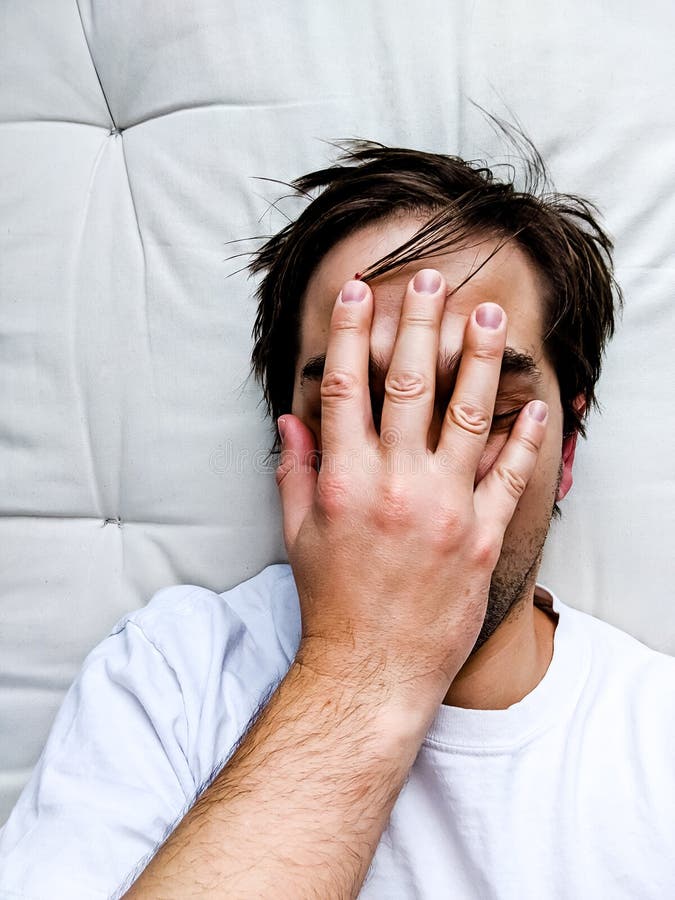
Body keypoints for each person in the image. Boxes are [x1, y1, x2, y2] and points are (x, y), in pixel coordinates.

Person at [1, 136, 674, 900]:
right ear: (289, 445)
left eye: (484, 406)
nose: (412, 476)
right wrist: (369, 663)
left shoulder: (657, 740)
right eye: (352, 401)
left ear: (567, 449)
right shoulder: (170, 676)